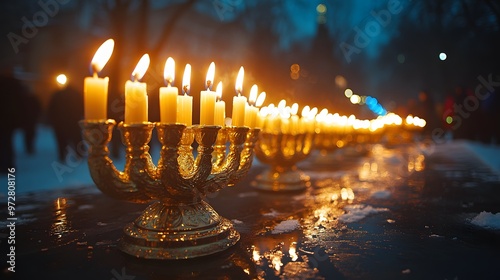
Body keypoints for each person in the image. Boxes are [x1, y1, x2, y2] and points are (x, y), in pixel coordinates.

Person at [47, 80, 84, 161]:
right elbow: (82, 107)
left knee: (62, 140)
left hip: (60, 123)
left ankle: (62, 155)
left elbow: (51, 109)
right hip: (73, 121)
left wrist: (53, 120)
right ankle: (79, 154)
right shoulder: (76, 94)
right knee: (76, 139)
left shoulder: (57, 94)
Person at [0, 69, 27, 173]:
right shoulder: (15, 87)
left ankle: (6, 165)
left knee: (5, 143)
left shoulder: (11, 87)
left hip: (7, 121)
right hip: (10, 121)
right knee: (7, 143)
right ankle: (8, 165)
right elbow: (23, 105)